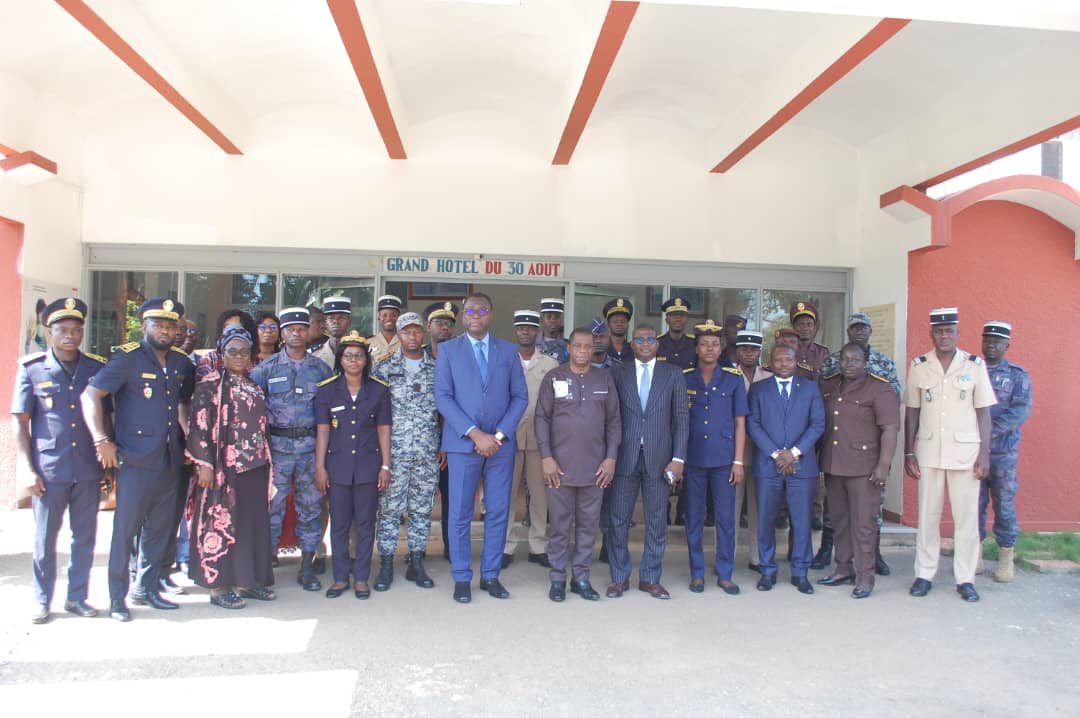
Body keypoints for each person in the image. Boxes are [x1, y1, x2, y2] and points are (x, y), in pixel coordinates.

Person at [82, 298, 195, 621]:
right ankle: (117, 598)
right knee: (125, 532)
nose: (165, 331)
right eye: (159, 325)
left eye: (171, 326)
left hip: (170, 461)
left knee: (159, 531)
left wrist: (190, 441)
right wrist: (101, 439)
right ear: (145, 326)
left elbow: (184, 403)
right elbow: (91, 395)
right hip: (135, 461)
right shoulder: (127, 359)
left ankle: (146, 588)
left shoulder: (180, 363)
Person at [13, 298, 107, 624]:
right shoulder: (32, 368)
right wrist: (26, 468)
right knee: (45, 539)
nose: (70, 336)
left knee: (84, 537)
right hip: (49, 469)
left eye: (76, 330)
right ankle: (42, 600)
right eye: (63, 330)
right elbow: (20, 423)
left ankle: (76, 597)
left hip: (87, 467)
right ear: (49, 332)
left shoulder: (94, 368)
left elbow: (106, 417)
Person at [434, 292, 528, 603]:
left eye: (482, 310)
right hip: (463, 445)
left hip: (500, 447)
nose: (476, 315)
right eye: (470, 310)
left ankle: (490, 575)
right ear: (463, 316)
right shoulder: (449, 350)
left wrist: (497, 436)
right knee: (460, 513)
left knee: (498, 511)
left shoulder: (508, 350)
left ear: (491, 314)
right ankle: (462, 576)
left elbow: (520, 397)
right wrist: (476, 434)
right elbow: (443, 397)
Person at [904, 307, 996, 603]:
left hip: (965, 453)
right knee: (928, 515)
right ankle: (924, 574)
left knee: (966, 518)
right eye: (939, 331)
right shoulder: (919, 366)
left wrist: (984, 454)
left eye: (949, 331)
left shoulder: (974, 365)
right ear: (932, 334)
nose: (944, 336)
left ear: (957, 333)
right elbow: (912, 410)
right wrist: (908, 451)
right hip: (929, 451)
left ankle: (965, 578)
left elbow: (984, 413)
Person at [186, 325, 276, 608]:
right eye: (232, 351)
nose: (239, 357)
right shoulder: (210, 384)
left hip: (254, 466)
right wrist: (204, 464)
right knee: (221, 523)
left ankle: (248, 582)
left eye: (244, 352)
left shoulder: (253, 385)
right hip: (223, 469)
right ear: (222, 354)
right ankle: (219, 587)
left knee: (250, 526)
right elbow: (198, 426)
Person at [249, 307, 333, 592]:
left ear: (308, 332)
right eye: (290, 329)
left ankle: (306, 567)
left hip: (310, 450)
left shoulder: (320, 369)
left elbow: (327, 415)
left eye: (301, 328)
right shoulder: (266, 369)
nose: (296, 333)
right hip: (277, 451)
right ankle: (265, 567)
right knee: (272, 508)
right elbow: (253, 412)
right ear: (282, 333)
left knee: (310, 507)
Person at [535, 328, 621, 602]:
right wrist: (546, 457)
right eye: (578, 346)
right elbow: (541, 418)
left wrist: (611, 458)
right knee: (559, 526)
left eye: (588, 346)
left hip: (595, 469)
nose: (583, 351)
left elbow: (614, 421)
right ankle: (558, 578)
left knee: (588, 526)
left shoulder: (604, 378)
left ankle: (581, 578)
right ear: (569, 348)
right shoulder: (554, 377)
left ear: (594, 349)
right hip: (558, 468)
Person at [606, 323, 689, 600]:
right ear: (632, 344)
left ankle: (650, 577)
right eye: (639, 339)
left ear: (657, 343)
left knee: (656, 520)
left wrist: (678, 459)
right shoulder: (617, 373)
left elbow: (682, 418)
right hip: (624, 457)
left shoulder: (673, 374)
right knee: (618, 520)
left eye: (649, 339)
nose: (644, 343)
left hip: (660, 459)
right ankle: (619, 577)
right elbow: (610, 417)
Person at [819, 312, 901, 576]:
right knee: (840, 520)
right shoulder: (831, 384)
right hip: (835, 463)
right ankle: (843, 568)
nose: (849, 364)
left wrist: (883, 465)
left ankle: (866, 575)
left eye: (855, 360)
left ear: (866, 362)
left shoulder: (880, 386)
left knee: (864, 523)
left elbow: (890, 427)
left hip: (865, 466)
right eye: (845, 359)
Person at [314, 331, 392, 599]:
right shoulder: (327, 390)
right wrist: (320, 467)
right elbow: (323, 430)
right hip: (337, 467)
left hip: (369, 467)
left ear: (366, 360)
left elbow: (384, 430)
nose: (354, 360)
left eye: (359, 356)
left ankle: (361, 578)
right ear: (340, 359)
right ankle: (339, 578)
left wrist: (386, 466)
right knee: (339, 525)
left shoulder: (379, 390)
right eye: (348, 356)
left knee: (366, 524)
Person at [370, 312, 441, 590]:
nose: (412, 336)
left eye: (416, 331)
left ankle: (416, 563)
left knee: (422, 509)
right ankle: (386, 563)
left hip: (426, 451)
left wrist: (444, 444)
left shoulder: (437, 368)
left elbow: (444, 409)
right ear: (398, 334)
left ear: (423, 333)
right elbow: (375, 414)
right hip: (394, 453)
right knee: (389, 510)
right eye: (406, 331)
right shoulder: (383, 367)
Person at [747, 344, 824, 595]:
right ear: (770, 362)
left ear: (795, 361)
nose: (783, 364)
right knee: (766, 520)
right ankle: (767, 570)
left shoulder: (810, 388)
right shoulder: (759, 389)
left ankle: (800, 572)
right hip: (767, 464)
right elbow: (753, 424)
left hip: (801, 465)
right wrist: (776, 454)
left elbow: (817, 424)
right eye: (778, 360)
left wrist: (793, 453)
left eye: (788, 360)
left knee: (801, 520)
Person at [682, 319, 747, 595]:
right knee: (694, 518)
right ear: (697, 349)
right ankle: (697, 573)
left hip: (724, 460)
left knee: (725, 519)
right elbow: (677, 422)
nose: (709, 348)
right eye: (704, 344)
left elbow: (740, 423)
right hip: (693, 459)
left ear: (721, 349)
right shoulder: (685, 377)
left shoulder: (733, 379)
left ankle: (725, 573)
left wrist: (739, 461)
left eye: (714, 344)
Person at [503, 310, 559, 568]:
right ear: (515, 331)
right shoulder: (504, 361)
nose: (525, 332)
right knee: (506, 494)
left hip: (540, 439)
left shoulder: (550, 364)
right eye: (521, 328)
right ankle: (505, 546)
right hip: (509, 438)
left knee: (540, 496)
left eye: (530, 328)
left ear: (537, 332)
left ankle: (538, 545)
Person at [979, 321, 1032, 584]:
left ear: (1007, 345)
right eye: (987, 340)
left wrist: (988, 431)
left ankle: (1005, 555)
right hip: (974, 452)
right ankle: (975, 553)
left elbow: (1020, 410)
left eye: (997, 342)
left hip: (1002, 454)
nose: (991, 345)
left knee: (1004, 504)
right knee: (973, 505)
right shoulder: (971, 370)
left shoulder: (1017, 375)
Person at [424, 300, 459, 559]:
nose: (444, 327)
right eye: (439, 322)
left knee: (452, 498)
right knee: (421, 499)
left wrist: (446, 443)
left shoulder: (461, 357)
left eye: (448, 323)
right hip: (421, 440)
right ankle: (417, 548)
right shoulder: (417, 357)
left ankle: (451, 546)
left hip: (453, 440)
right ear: (429, 326)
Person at [734, 330, 772, 572]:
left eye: (753, 349)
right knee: (731, 508)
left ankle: (757, 558)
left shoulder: (769, 376)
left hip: (762, 451)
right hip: (734, 452)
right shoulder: (727, 375)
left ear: (760, 352)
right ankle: (726, 556)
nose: (749, 353)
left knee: (759, 508)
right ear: (737, 351)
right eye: (744, 349)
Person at [195, 310, 258, 381]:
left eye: (235, 327)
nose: (230, 331)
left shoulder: (257, 362)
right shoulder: (209, 360)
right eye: (226, 327)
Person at [790, 301, 829, 382]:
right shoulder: (786, 351)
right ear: (793, 327)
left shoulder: (823, 353)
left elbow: (828, 381)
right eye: (801, 324)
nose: (805, 328)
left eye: (809, 324)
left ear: (814, 327)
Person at [311, 296, 352, 369]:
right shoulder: (315, 355)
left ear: (349, 321)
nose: (336, 321)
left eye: (341, 318)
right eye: (331, 318)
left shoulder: (361, 353)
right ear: (325, 323)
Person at [656, 297, 696, 370]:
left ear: (687, 319)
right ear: (666, 320)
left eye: (682, 315)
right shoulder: (656, 343)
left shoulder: (695, 343)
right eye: (673, 315)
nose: (678, 319)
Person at [368, 294, 404, 363]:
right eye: (384, 315)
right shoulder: (368, 343)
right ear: (379, 317)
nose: (388, 318)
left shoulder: (406, 342)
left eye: (393, 315)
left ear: (399, 317)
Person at [536, 297, 569, 364]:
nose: (552, 320)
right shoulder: (532, 344)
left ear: (561, 320)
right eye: (548, 317)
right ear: (542, 320)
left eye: (557, 317)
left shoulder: (568, 346)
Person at [603, 298, 635, 365]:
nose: (619, 324)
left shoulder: (634, 349)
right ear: (608, 324)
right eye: (615, 321)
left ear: (628, 324)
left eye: (623, 321)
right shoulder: (602, 348)